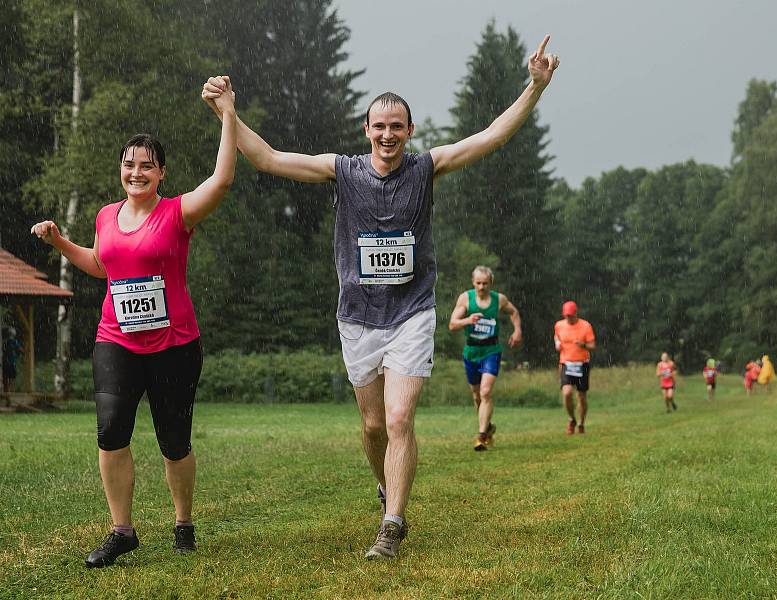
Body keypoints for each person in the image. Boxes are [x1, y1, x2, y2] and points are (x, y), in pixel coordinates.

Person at [202, 37, 559, 559]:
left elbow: (489, 137)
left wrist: (535, 87)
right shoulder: (342, 171)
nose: (388, 134)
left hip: (411, 312)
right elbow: (268, 157)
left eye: (397, 126)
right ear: (366, 131)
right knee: (372, 426)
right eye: (379, 126)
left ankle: (392, 523)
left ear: (409, 132)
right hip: (358, 318)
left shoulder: (425, 167)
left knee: (398, 420)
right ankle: (385, 485)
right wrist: (227, 112)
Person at [30, 85, 237, 567]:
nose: (136, 172)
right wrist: (61, 242)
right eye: (129, 164)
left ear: (161, 172)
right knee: (110, 431)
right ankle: (122, 530)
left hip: (174, 345)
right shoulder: (106, 215)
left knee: (174, 441)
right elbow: (105, 266)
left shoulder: (178, 212)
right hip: (116, 340)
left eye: (146, 165)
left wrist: (227, 116)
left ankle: (183, 522)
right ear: (121, 170)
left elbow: (222, 181)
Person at [448, 265, 522, 451]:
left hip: (491, 350)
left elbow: (514, 312)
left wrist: (517, 331)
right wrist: (468, 320)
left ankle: (481, 436)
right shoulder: (466, 298)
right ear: (473, 282)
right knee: (476, 395)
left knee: (486, 392)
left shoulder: (499, 299)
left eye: (485, 283)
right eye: (478, 283)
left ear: (491, 283)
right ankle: (487, 426)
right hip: (471, 351)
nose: (481, 287)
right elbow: (452, 324)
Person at [553, 301, 595, 434]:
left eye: (571, 315)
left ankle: (581, 423)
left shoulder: (586, 326)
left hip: (582, 364)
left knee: (581, 397)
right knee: (566, 393)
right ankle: (572, 419)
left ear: (576, 313)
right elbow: (556, 337)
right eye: (566, 316)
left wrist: (583, 345)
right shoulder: (559, 325)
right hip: (566, 363)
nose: (568, 318)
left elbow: (592, 346)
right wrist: (557, 344)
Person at [2, 327, 23, 392]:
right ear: (14, 334)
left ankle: (6, 392)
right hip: (11, 363)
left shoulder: (4, 342)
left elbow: (3, 349)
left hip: (5, 362)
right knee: (12, 378)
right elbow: (20, 349)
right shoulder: (15, 342)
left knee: (5, 378)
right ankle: (10, 392)